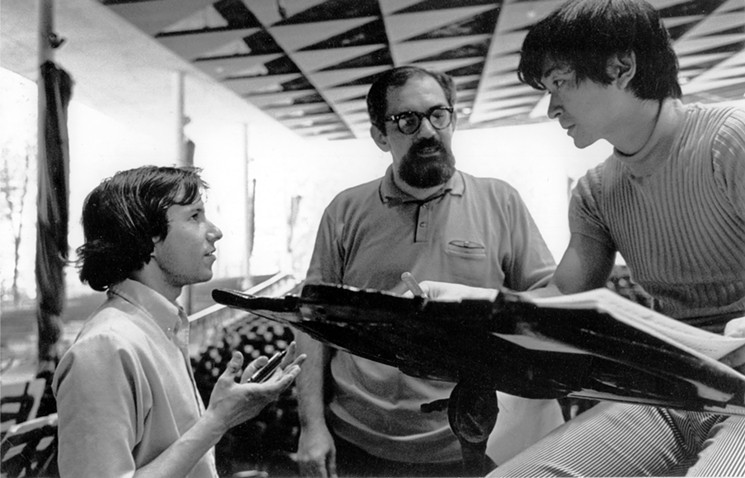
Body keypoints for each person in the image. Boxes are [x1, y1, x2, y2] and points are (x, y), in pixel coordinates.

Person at [421, 0, 745, 476]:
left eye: (559, 84)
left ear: (621, 67)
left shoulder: (729, 141)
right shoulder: (596, 191)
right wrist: (468, 308)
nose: (551, 107)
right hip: (674, 384)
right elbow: (561, 296)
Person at [295, 66, 564, 478]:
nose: (427, 131)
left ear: (453, 119)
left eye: (439, 114)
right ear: (380, 135)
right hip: (356, 440)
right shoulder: (345, 211)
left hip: (469, 444)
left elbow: (550, 305)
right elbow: (310, 322)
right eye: (408, 120)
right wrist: (311, 426)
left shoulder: (500, 201)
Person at [52, 165, 306, 477]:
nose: (215, 231)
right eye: (195, 216)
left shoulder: (160, 327)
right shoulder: (105, 348)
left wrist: (229, 410)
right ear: (149, 238)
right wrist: (217, 420)